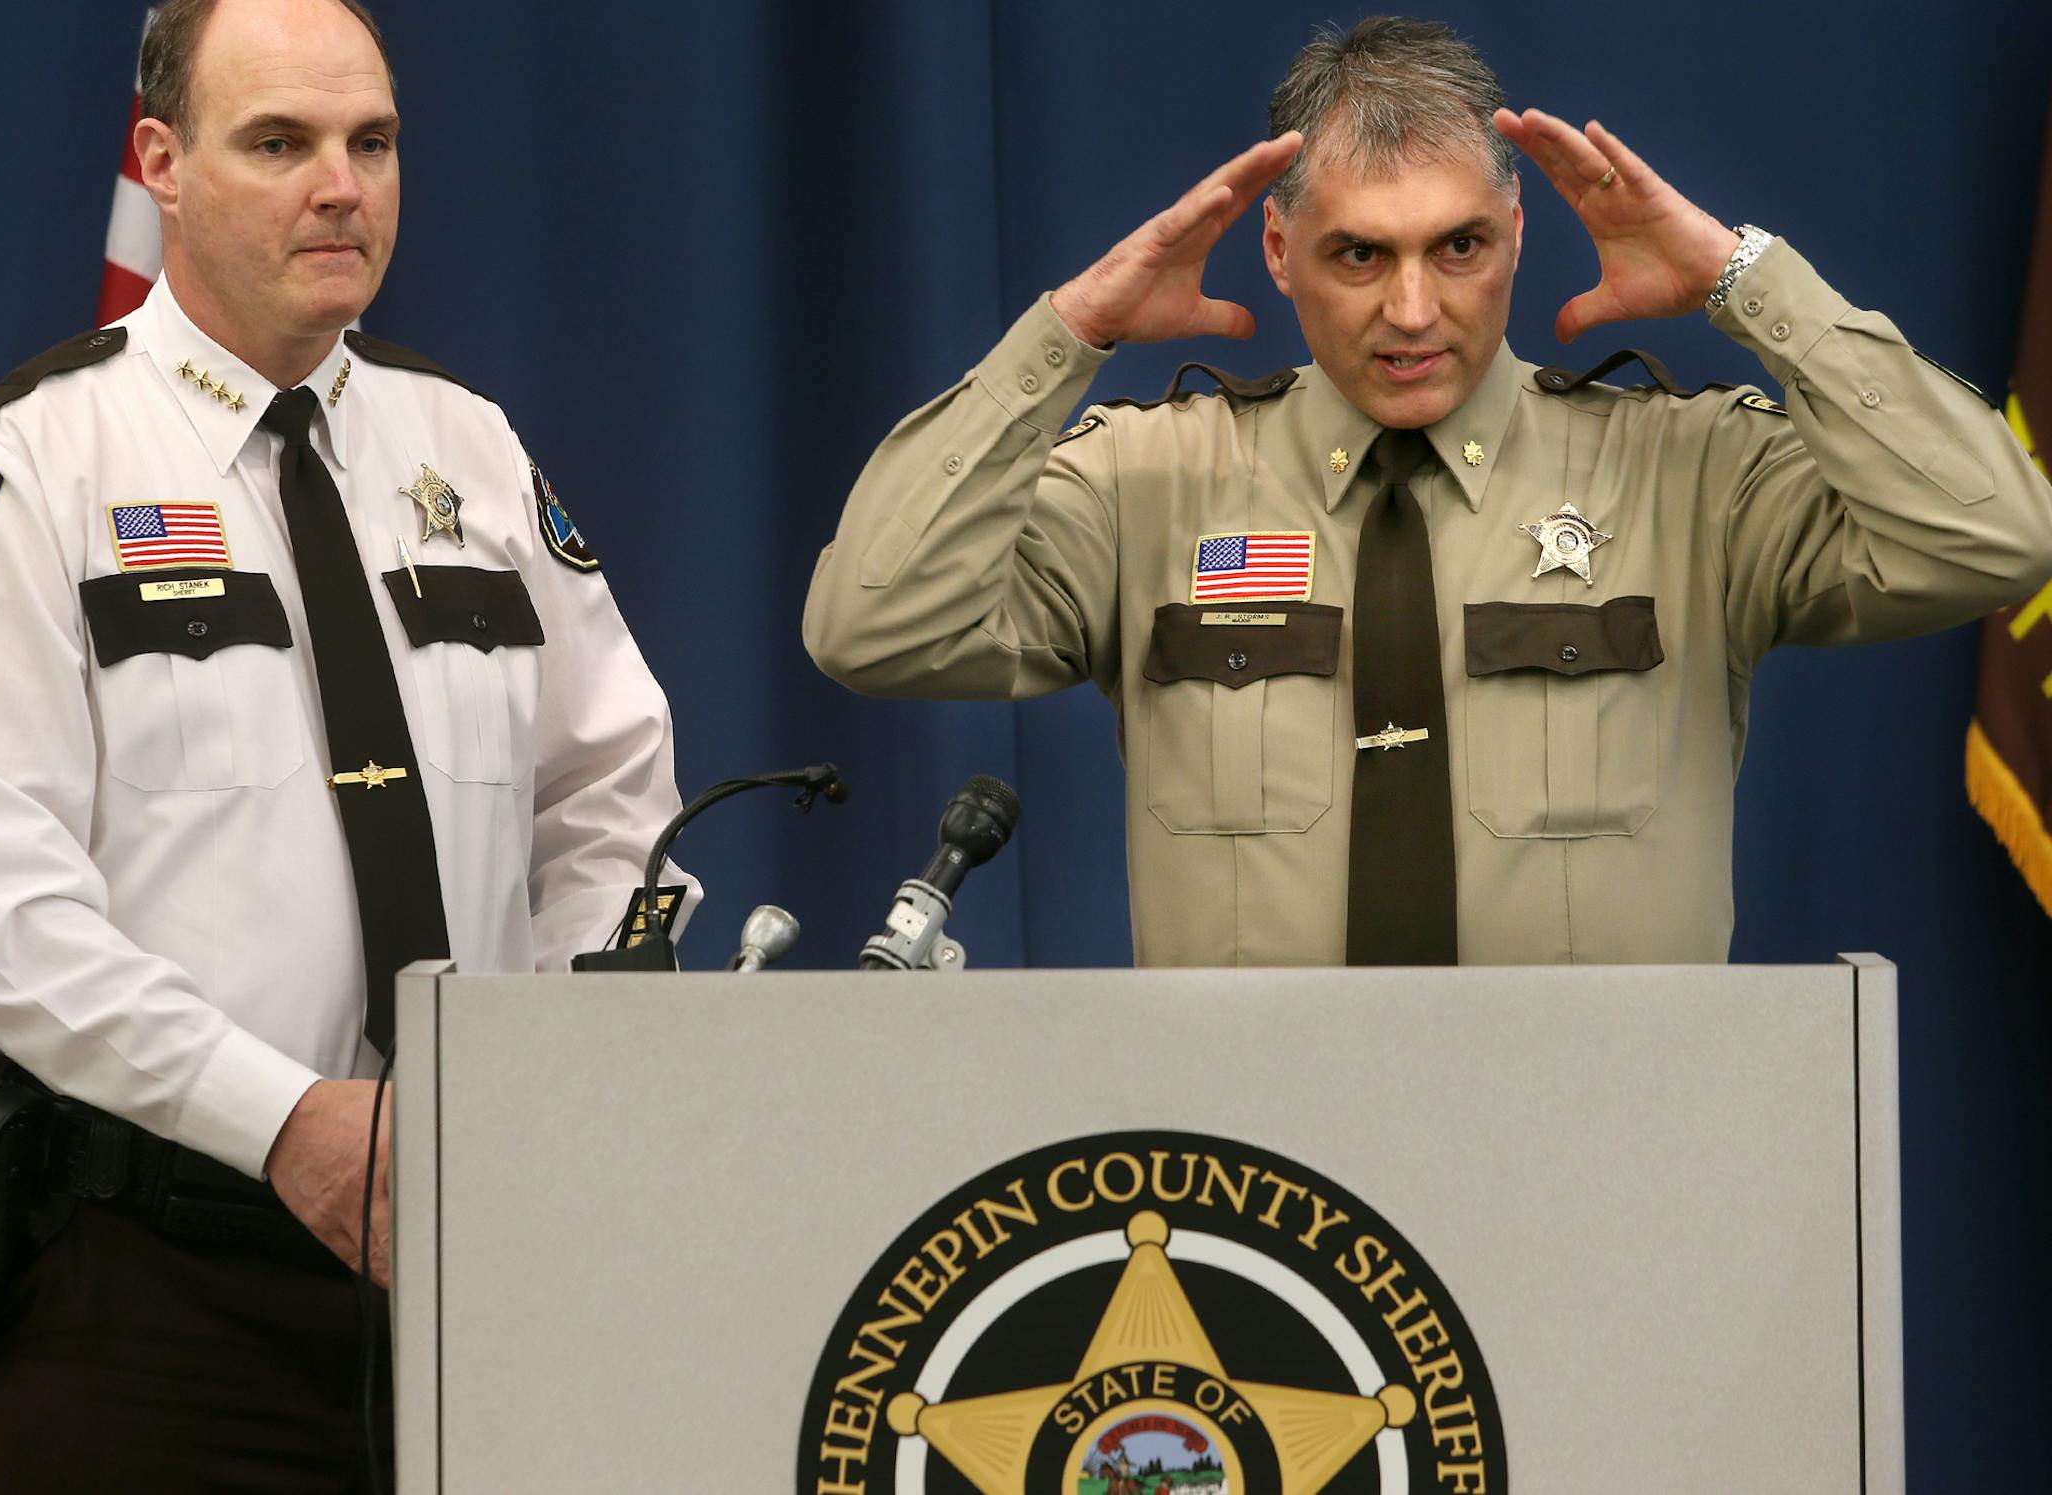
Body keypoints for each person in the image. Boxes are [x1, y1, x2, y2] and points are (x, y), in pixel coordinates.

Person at [0, 0, 695, 1486]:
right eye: (279, 143)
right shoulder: (27, 467)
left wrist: (561, 1057)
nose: (341, 186)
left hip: (478, 1251)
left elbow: (608, 789)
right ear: (162, 163)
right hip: (149, 1277)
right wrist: (283, 1122)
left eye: (370, 143)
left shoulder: (468, 446)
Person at [803, 17, 2052, 967]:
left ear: (1517, 231)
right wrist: (1068, 335)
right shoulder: (1150, 483)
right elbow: (873, 623)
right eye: (1360, 254)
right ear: (1279, 252)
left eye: (1459, 247)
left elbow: (1998, 536)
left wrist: (1746, 281)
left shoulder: (1692, 475)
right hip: (1261, 1180)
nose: (1413, 310)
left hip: (1605, 1159)